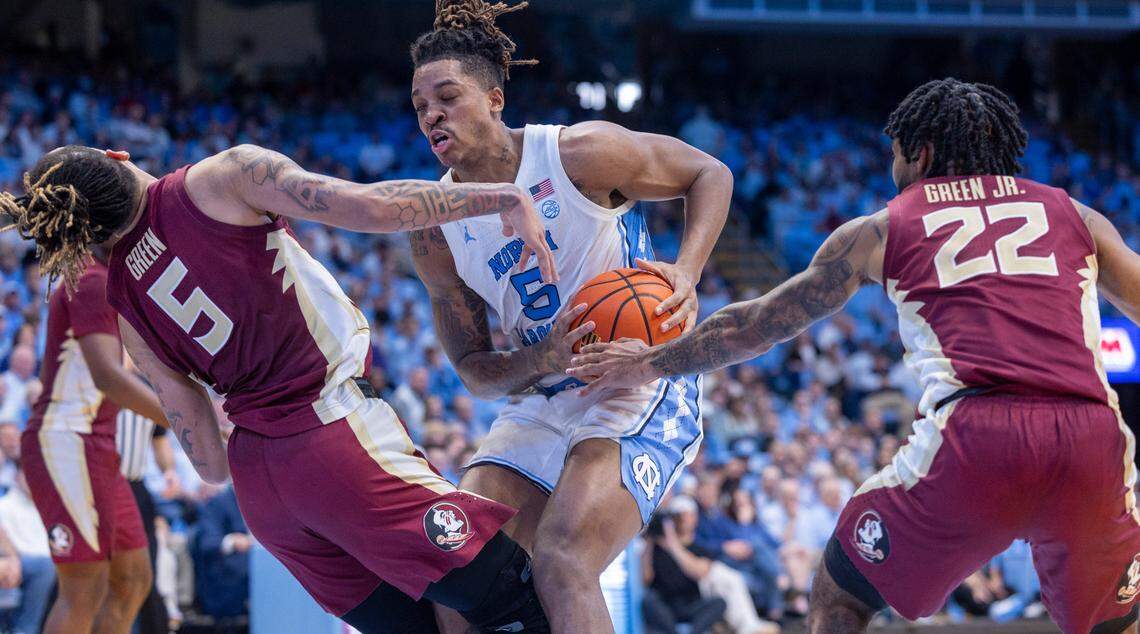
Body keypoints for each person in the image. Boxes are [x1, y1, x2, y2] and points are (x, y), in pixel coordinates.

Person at [569, 78, 1140, 634]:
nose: (893, 169)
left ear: (920, 153)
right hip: (1092, 438)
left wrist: (645, 363)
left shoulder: (884, 228)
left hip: (981, 437)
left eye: (895, 155)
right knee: (1115, 624)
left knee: (839, 594)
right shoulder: (1076, 215)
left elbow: (756, 326)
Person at [0, 142, 555, 633]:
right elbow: (371, 207)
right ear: (117, 156)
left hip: (261, 491)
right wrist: (501, 197)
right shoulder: (221, 178)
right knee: (515, 595)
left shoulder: (123, 301)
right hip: (332, 434)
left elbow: (208, 462)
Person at [408, 2, 731, 630]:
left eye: (447, 97)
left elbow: (708, 173)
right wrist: (543, 357)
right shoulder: (434, 230)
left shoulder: (579, 155)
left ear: (495, 99)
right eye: (420, 105)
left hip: (638, 381)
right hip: (545, 392)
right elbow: (474, 370)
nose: (432, 115)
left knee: (562, 560)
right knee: (456, 567)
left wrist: (687, 271)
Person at [16, 253, 167, 634]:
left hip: (98, 445)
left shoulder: (110, 279)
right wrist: (187, 420)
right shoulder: (91, 278)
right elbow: (109, 378)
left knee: (133, 578)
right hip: (66, 441)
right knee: (85, 588)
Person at [0, 468, 56, 634]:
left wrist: (11, 559)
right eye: (29, 475)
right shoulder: (5, 505)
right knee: (44, 567)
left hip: (31, 562)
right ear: (17, 477)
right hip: (22, 561)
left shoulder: (48, 508)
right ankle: (25, 630)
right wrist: (11, 559)